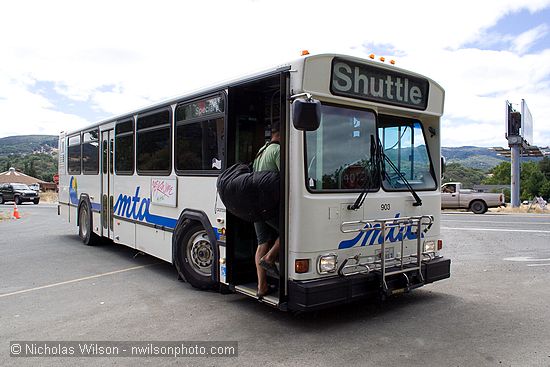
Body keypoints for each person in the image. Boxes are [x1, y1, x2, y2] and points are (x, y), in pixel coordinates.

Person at [253, 122, 281, 298]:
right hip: (268, 205)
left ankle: (261, 286)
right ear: (281, 133)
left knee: (261, 243)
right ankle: (270, 258)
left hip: (255, 205)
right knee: (289, 232)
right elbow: (287, 177)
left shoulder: (261, 150)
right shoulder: (277, 151)